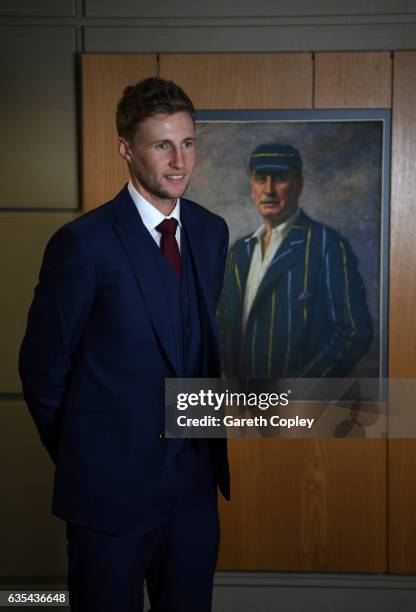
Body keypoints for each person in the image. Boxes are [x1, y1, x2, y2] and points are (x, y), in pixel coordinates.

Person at [19, 77, 230, 612]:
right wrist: (87, 454)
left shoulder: (211, 231)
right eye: (162, 144)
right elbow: (42, 371)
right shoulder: (82, 245)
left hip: (193, 490)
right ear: (125, 149)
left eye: (188, 143)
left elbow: (196, 346)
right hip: (107, 493)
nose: (179, 160)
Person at [219, 142, 372, 378]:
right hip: (239, 405)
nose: (269, 189)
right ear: (252, 187)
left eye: (279, 178)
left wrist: (300, 395)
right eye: (260, 179)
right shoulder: (239, 251)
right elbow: (222, 329)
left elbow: (353, 332)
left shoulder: (326, 246)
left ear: (298, 185)